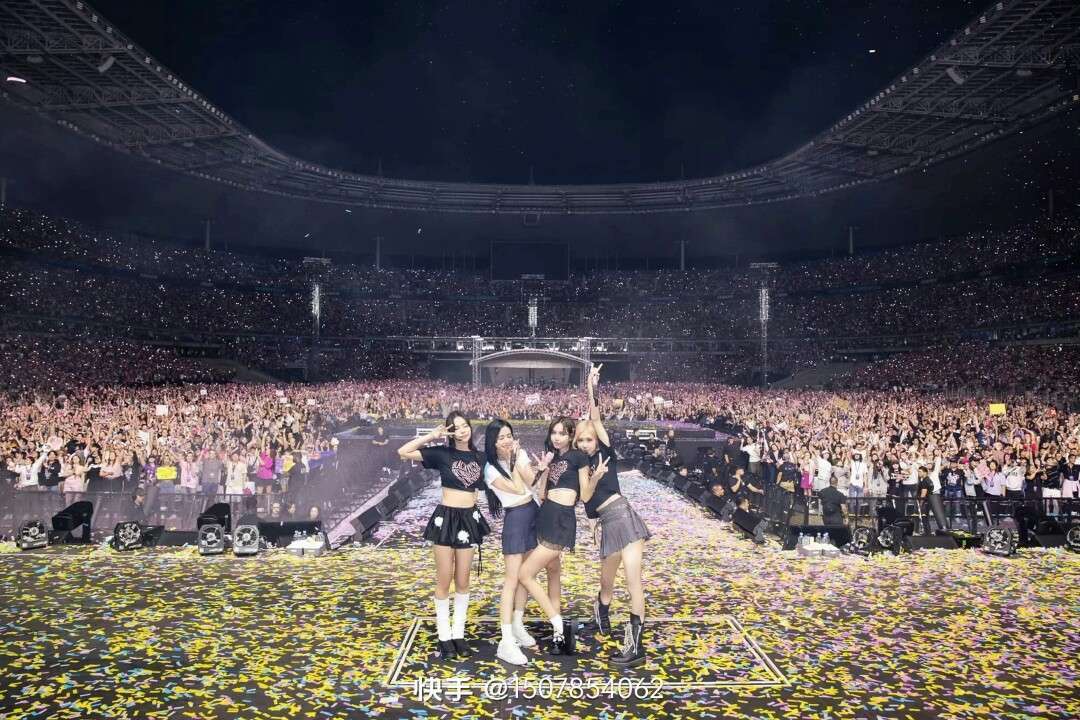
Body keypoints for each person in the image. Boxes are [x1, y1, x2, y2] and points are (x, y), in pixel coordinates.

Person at [397, 412, 501, 661]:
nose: (462, 430)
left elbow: (500, 471)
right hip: (445, 519)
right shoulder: (442, 454)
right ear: (450, 431)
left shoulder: (481, 457)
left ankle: (458, 634)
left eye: (465, 425)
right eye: (456, 427)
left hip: (469, 519)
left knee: (463, 580)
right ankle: (444, 636)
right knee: (444, 579)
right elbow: (403, 451)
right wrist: (432, 436)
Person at [579, 363, 650, 668]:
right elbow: (585, 500)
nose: (585, 443)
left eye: (589, 439)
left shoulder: (606, 453)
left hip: (626, 518)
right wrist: (592, 523)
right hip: (607, 524)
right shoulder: (579, 467)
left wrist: (591, 387)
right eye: (581, 440)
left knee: (634, 582)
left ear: (597, 440)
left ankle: (635, 647)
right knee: (606, 582)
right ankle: (602, 608)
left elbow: (595, 417)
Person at [517, 416, 587, 656]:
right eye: (554, 433)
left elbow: (584, 494)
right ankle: (558, 635)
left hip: (561, 519)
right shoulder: (553, 457)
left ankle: (559, 625)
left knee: (525, 574)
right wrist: (544, 469)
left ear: (571, 435)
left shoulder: (578, 457)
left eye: (562, 433)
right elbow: (541, 493)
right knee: (553, 572)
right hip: (546, 514)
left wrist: (596, 477)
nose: (557, 437)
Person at [483, 419, 542, 666]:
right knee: (512, 579)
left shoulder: (521, 454)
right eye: (501, 438)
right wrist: (514, 460)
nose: (507, 440)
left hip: (533, 514)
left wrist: (519, 459)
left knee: (527, 576)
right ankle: (506, 641)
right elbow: (517, 489)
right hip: (515, 519)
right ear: (493, 442)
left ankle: (518, 624)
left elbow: (532, 483)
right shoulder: (490, 469)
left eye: (509, 435)